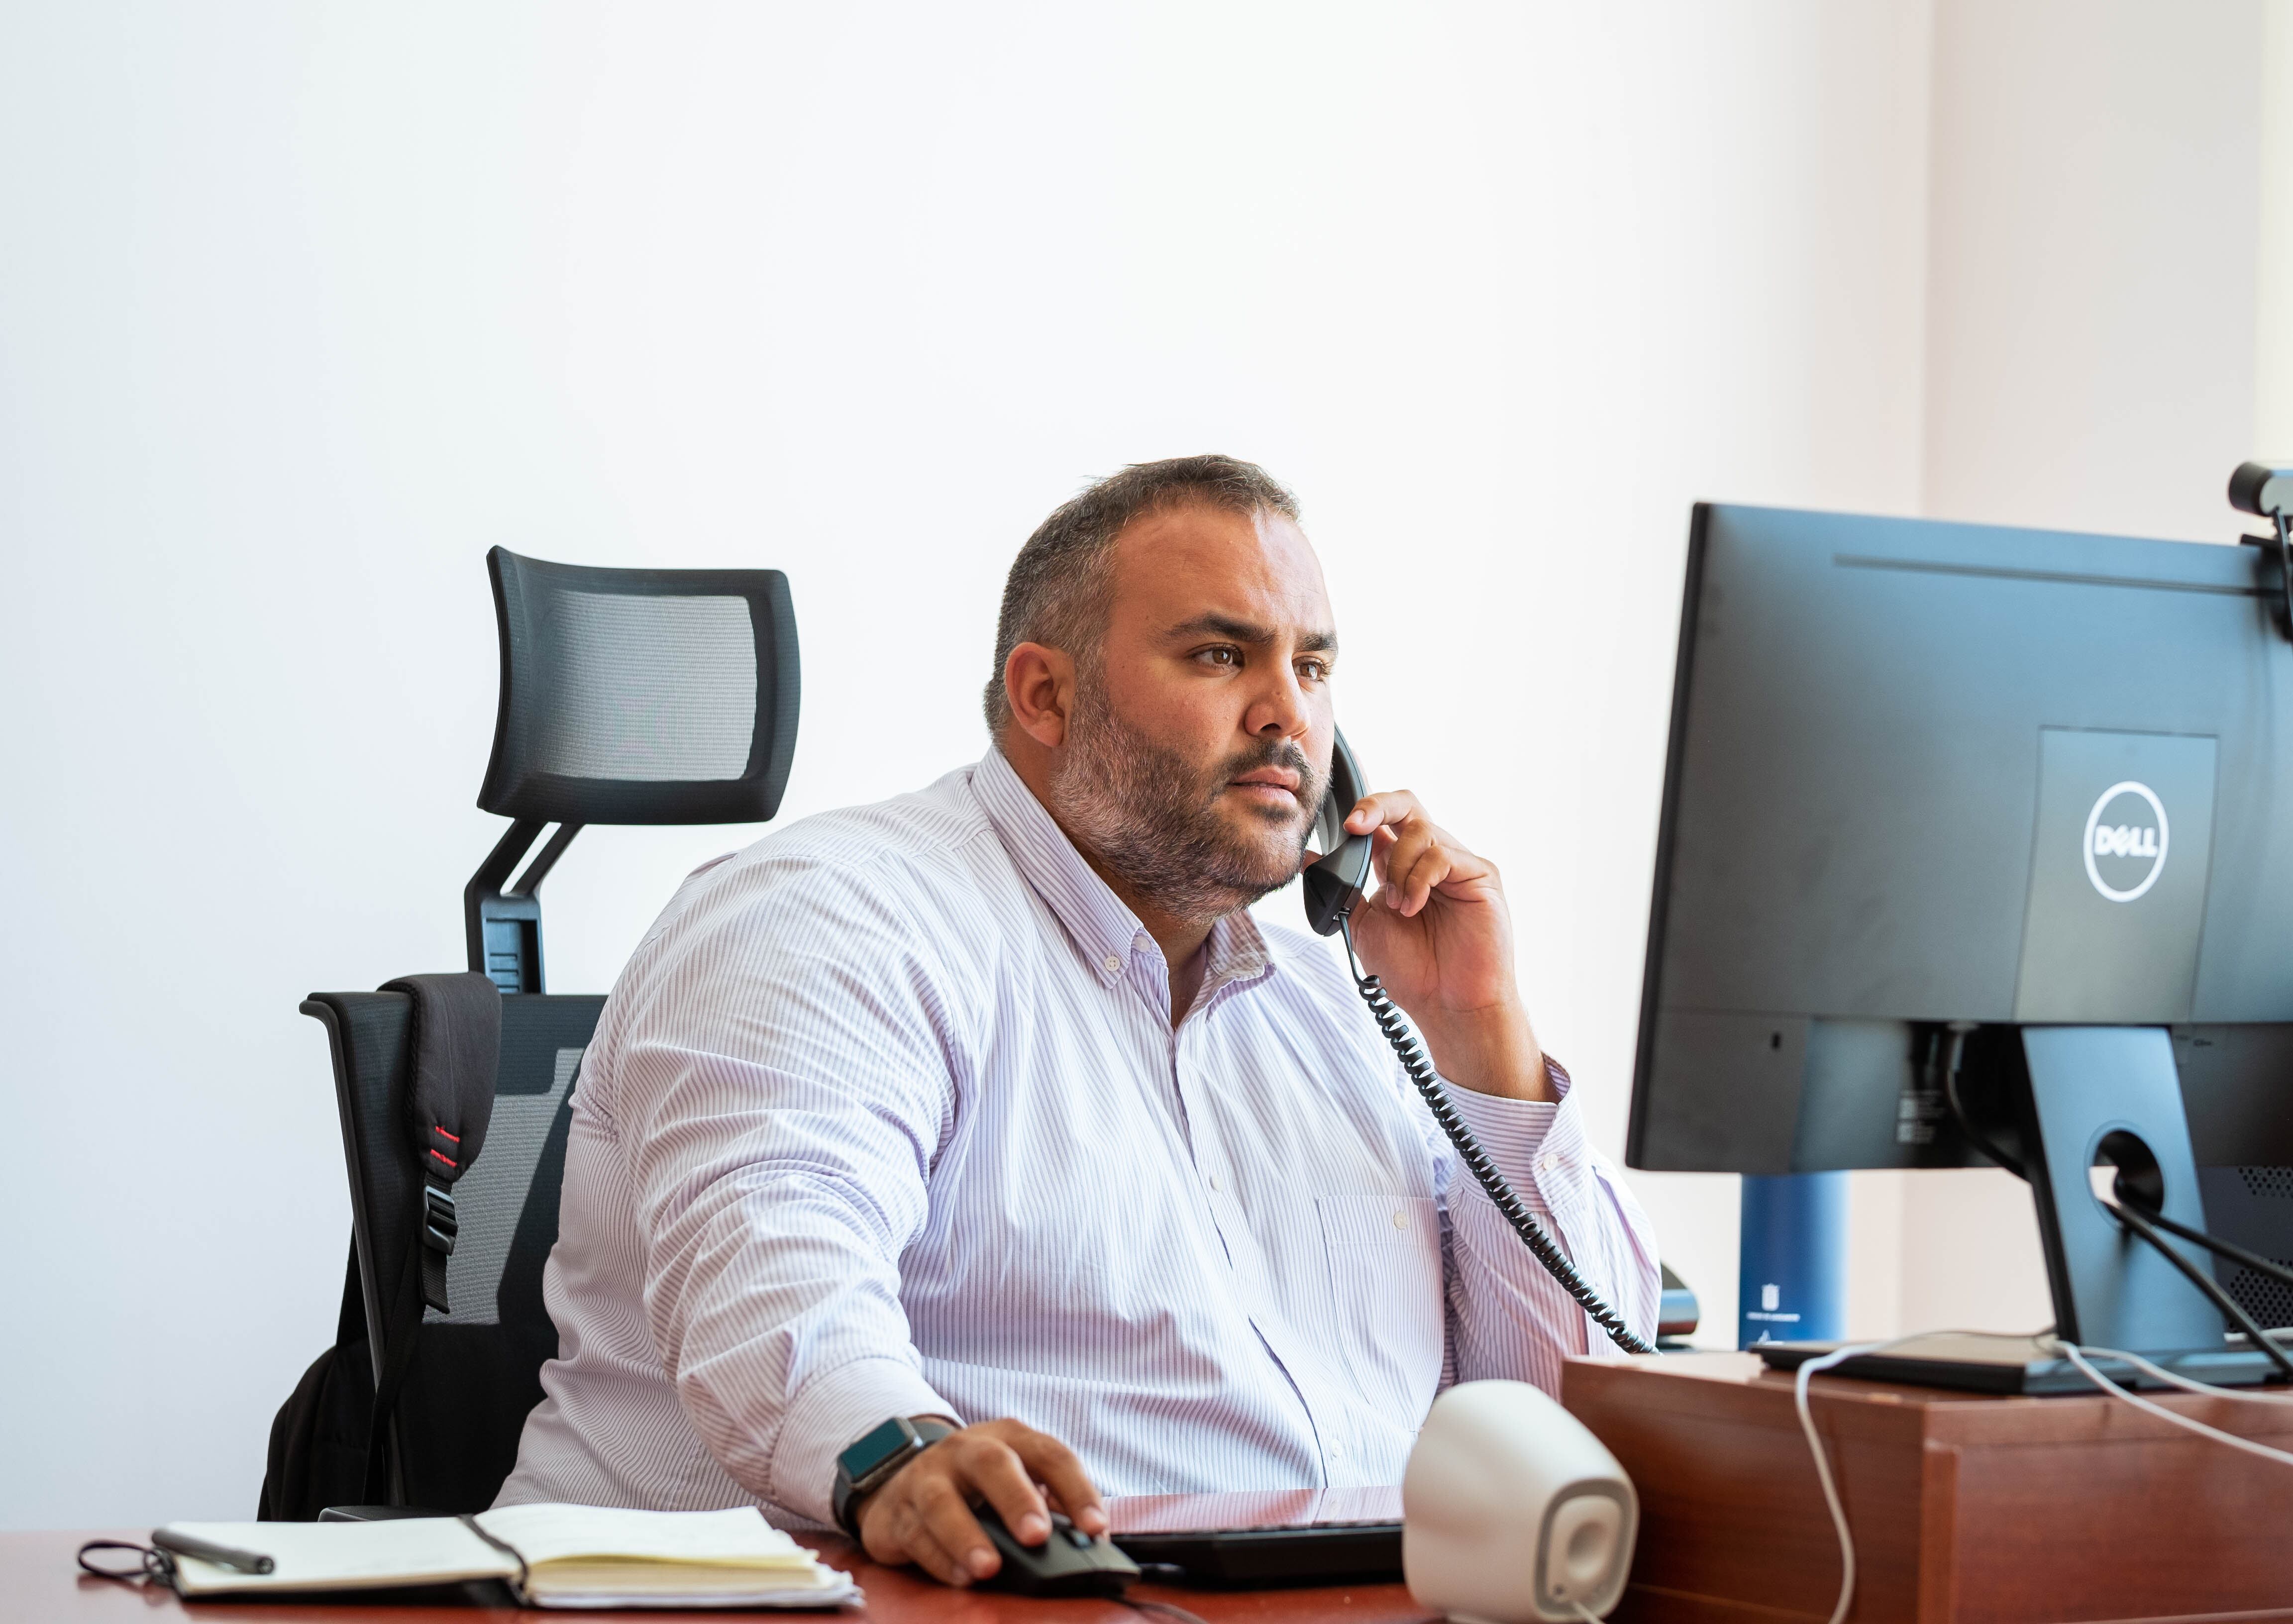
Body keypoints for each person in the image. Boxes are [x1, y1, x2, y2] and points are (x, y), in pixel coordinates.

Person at [496, 454, 1661, 1587]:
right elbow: (779, 1273)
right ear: (1044, 694)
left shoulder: (1346, 1011)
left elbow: (1564, 1429)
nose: (1287, 716)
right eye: (1221, 655)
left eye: (1313, 668)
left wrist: (1481, 1035)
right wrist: (895, 1457)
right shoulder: (832, 922)